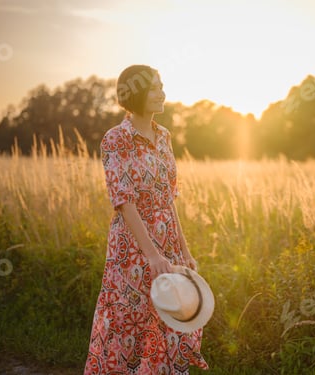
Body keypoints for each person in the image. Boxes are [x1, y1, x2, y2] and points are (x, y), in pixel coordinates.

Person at [84, 65, 208, 374]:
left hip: (167, 244)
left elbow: (169, 200)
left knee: (171, 318)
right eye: (155, 88)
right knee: (127, 323)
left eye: (162, 86)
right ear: (137, 94)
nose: (162, 92)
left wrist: (184, 249)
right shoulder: (115, 139)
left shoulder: (164, 137)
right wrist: (151, 255)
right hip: (133, 248)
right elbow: (124, 202)